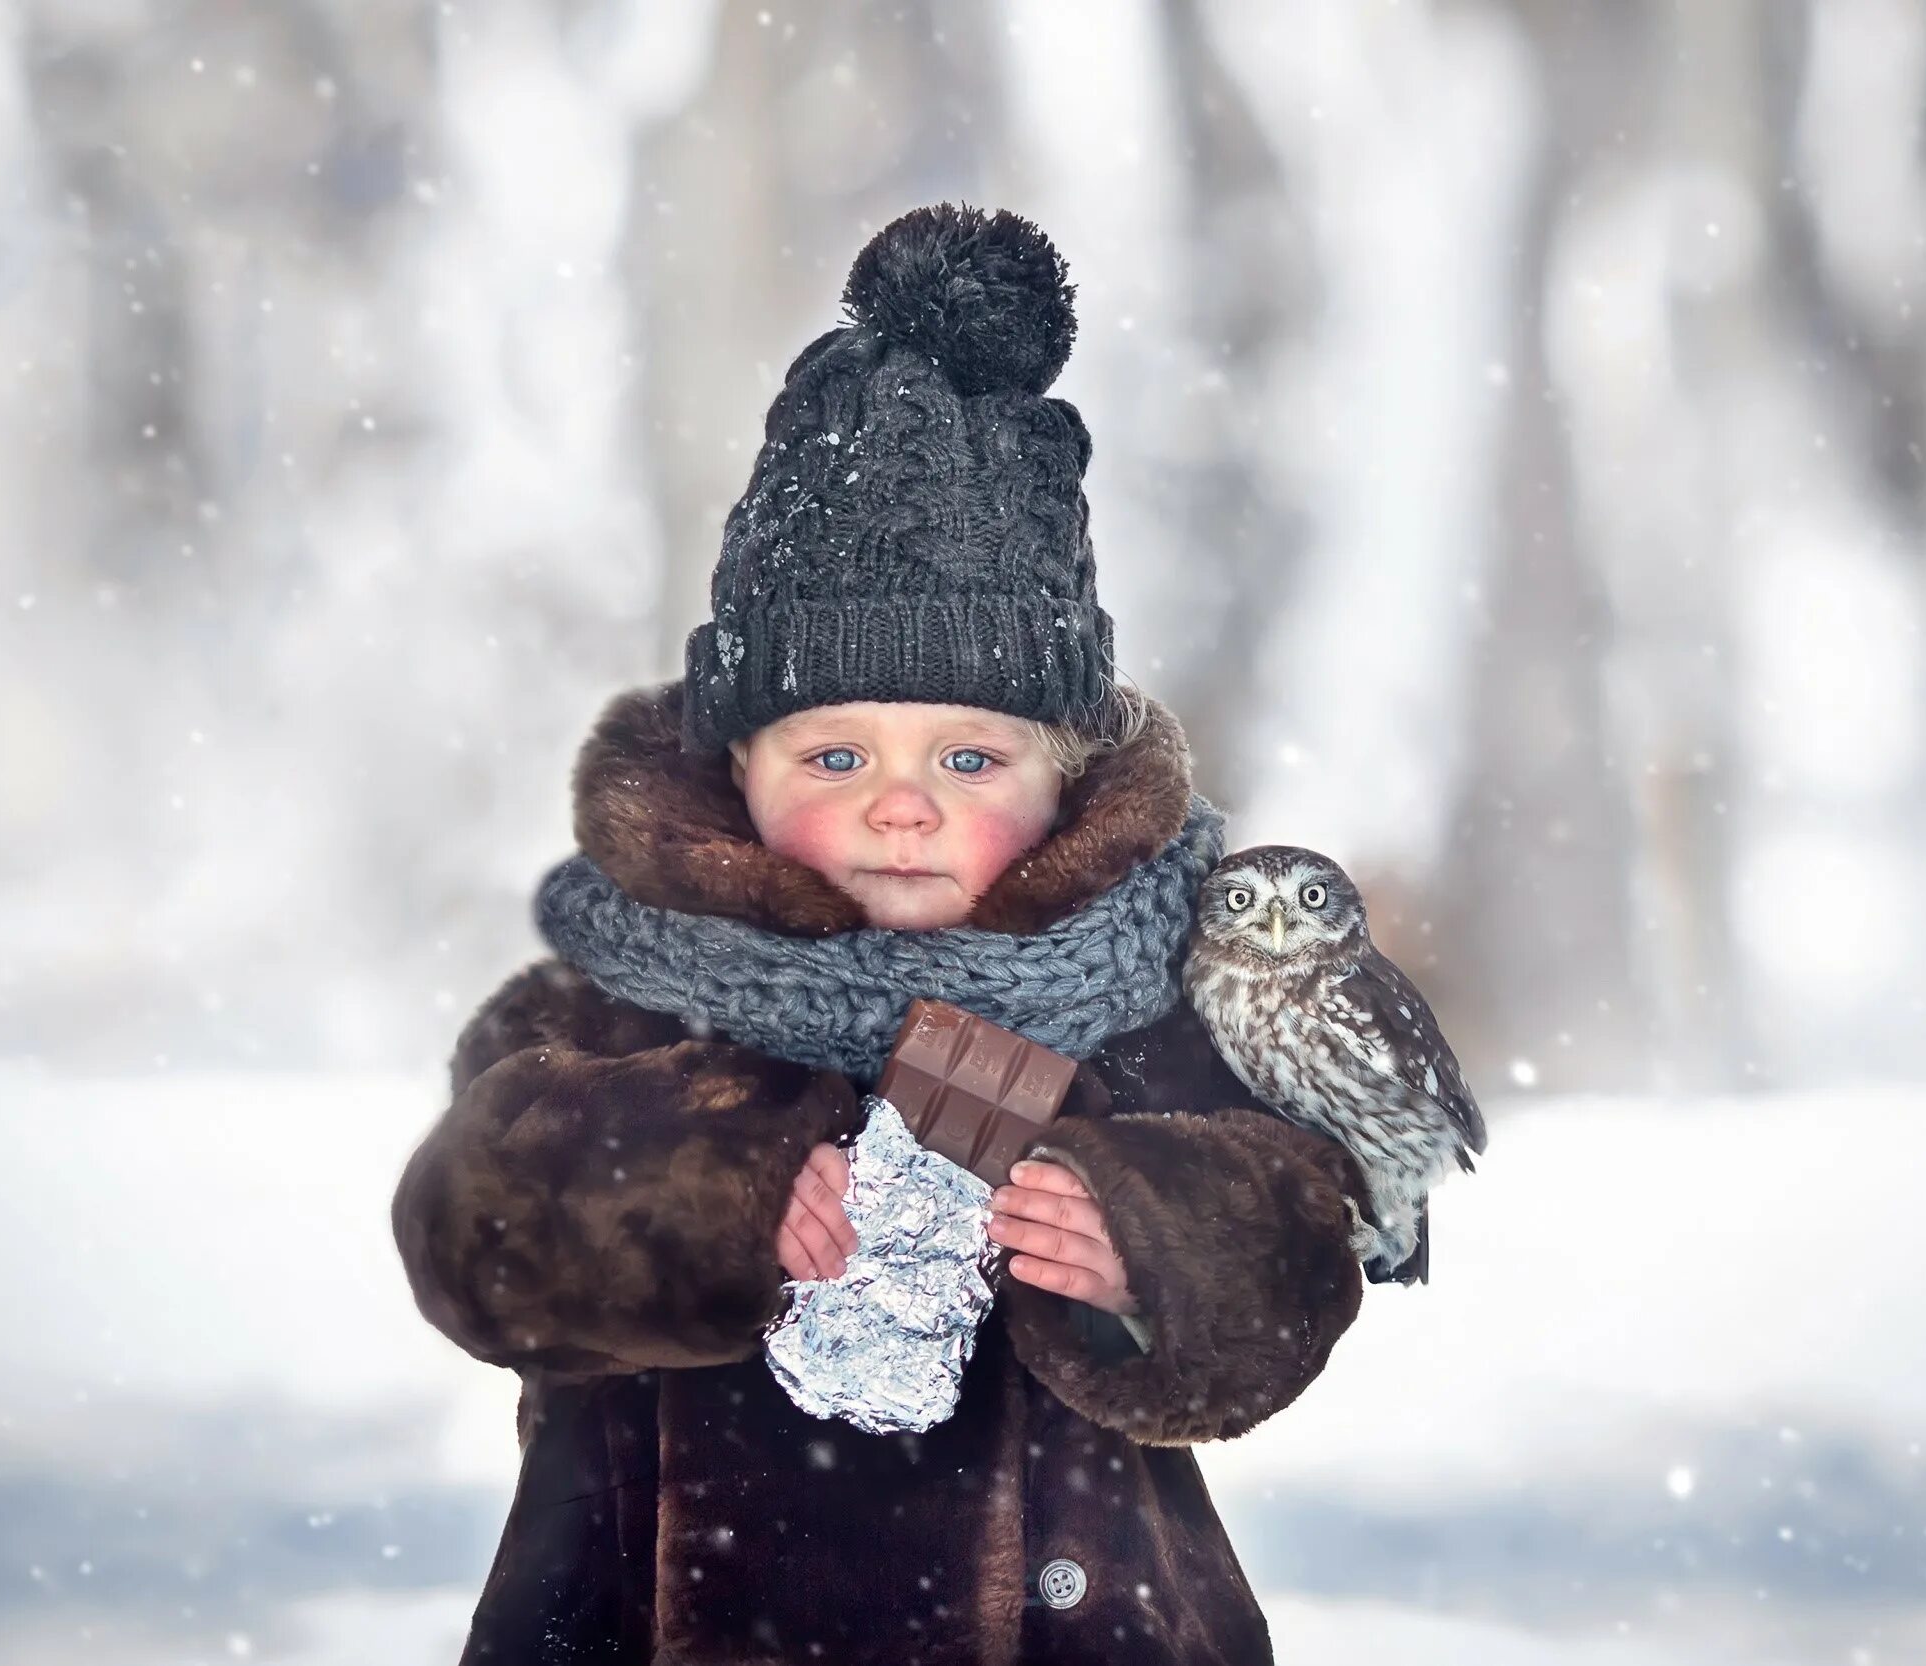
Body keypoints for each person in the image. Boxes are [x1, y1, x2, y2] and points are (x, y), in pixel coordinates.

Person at [390, 202, 1366, 1666]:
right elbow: (474, 1228)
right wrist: (712, 1187)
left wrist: (1140, 1240)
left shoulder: (1150, 1001)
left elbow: (1298, 1237)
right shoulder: (618, 1001)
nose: (899, 810)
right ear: (739, 771)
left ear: (1061, 783)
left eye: (966, 762)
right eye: (836, 758)